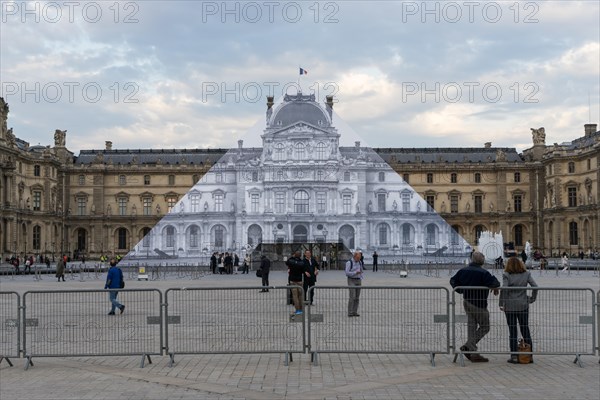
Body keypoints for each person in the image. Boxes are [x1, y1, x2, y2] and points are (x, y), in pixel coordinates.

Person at [450, 251, 500, 362]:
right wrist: (495, 286)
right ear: (481, 261)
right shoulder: (483, 272)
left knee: (471, 326)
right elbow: (495, 283)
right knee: (485, 326)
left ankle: (471, 351)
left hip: (467, 301)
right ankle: (468, 347)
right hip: (479, 303)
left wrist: (461, 290)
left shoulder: (463, 270)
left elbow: (453, 280)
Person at [499, 257, 538, 364]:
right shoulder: (526, 274)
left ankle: (514, 356)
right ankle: (529, 356)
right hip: (523, 305)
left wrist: (501, 303)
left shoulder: (506, 275)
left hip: (510, 306)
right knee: (525, 330)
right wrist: (532, 299)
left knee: (513, 332)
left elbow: (504, 289)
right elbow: (535, 286)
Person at [286, 251, 305, 315]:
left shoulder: (291, 261)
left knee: (295, 296)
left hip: (293, 281)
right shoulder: (302, 262)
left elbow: (287, 262)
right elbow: (303, 270)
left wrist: (292, 257)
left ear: (294, 255)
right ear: (300, 256)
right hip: (299, 281)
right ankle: (301, 309)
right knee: (301, 296)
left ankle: (297, 310)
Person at [345, 251, 364, 317]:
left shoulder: (360, 262)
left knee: (357, 297)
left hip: (358, 280)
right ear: (354, 256)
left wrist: (361, 276)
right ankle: (350, 312)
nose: (359, 259)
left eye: (360, 258)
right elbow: (347, 273)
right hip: (351, 280)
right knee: (352, 296)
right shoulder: (349, 263)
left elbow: (361, 270)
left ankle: (355, 311)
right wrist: (355, 272)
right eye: (358, 258)